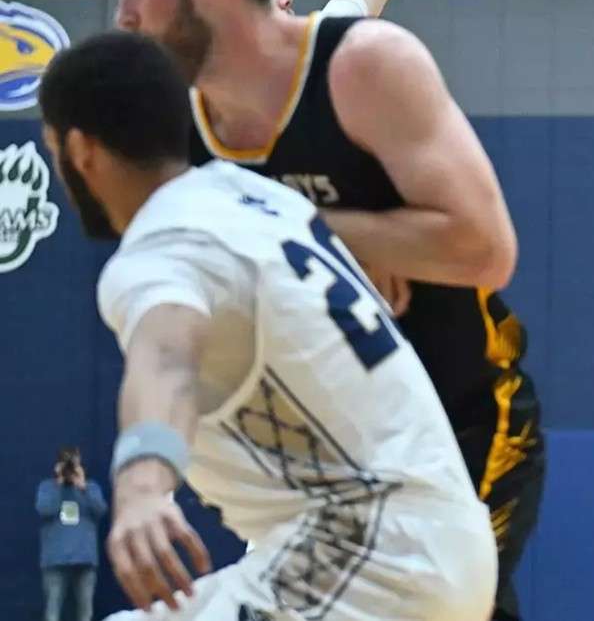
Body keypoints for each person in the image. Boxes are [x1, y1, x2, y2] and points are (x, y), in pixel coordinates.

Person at [108, 0, 544, 621]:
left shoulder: (350, 60)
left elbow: (486, 250)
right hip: (329, 429)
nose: (125, 15)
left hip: (460, 396)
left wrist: (322, 233)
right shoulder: (185, 129)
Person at [37, 31, 498, 620]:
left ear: (79, 150)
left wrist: (142, 486)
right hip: (429, 540)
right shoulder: (254, 197)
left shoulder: (163, 249)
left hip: (371, 553)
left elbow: (167, 361)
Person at [36, 447, 107, 621]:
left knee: (85, 612)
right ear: (57, 465)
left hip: (85, 558)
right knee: (53, 611)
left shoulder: (91, 487)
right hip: (55, 559)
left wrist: (83, 487)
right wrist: (58, 486)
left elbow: (100, 510)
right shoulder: (47, 487)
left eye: (73, 464)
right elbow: (44, 510)